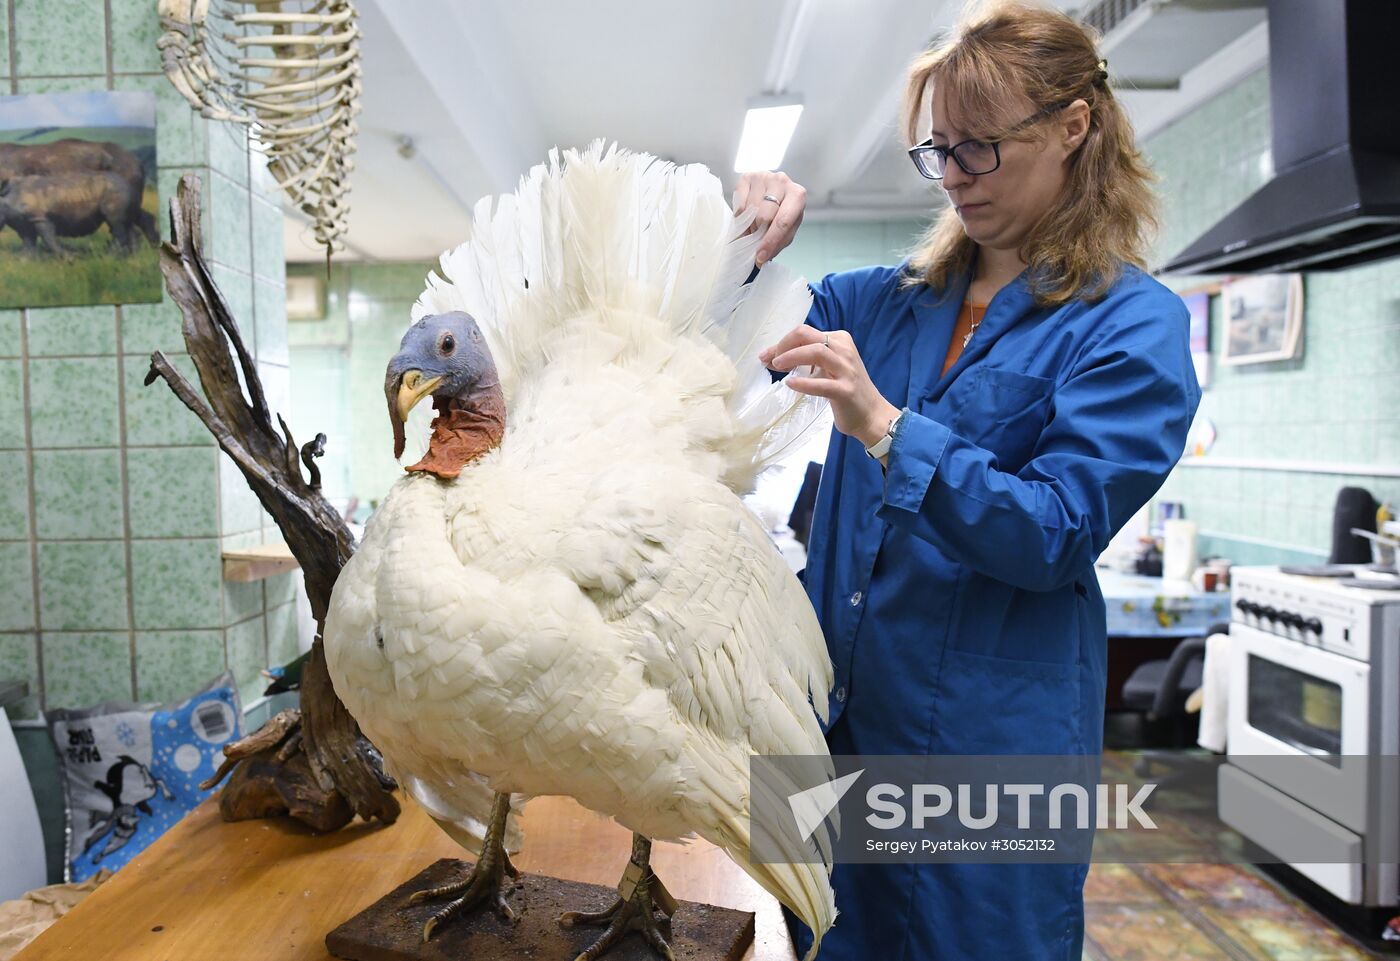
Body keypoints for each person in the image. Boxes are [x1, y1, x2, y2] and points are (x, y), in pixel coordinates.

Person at [736, 2, 1202, 958]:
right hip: (830, 734)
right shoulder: (884, 303)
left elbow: (1056, 531)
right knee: (816, 941)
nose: (954, 176)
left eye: (981, 148)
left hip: (988, 749)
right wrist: (737, 243)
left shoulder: (1131, 326)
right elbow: (731, 337)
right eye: (938, 150)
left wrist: (884, 426)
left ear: (1073, 125)